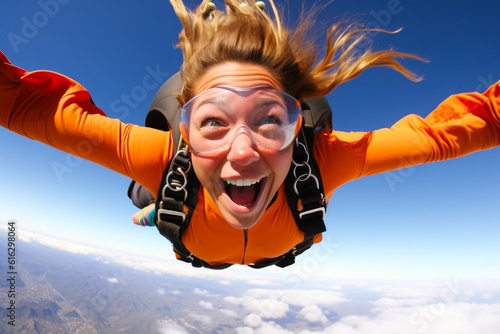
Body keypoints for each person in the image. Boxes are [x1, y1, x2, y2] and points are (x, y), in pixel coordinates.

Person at [1, 0, 499, 269]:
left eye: (268, 119)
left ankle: (157, 209)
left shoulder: (324, 157)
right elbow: (25, 105)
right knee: (150, 192)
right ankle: (153, 210)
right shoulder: (160, 154)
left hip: (264, 253)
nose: (243, 151)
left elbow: (453, 132)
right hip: (198, 232)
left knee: (166, 195)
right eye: (213, 121)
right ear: (185, 129)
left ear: (296, 122)